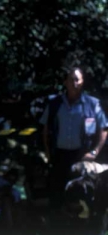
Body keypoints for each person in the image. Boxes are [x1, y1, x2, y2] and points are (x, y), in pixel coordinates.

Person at [39, 67, 108, 211]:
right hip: (59, 154)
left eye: (77, 79)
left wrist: (95, 152)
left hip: (82, 155)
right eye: (71, 80)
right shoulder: (54, 103)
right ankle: (58, 229)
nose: (74, 83)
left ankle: (84, 226)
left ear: (82, 82)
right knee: (57, 191)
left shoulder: (92, 104)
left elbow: (104, 129)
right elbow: (45, 129)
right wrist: (47, 150)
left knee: (83, 191)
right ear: (65, 82)